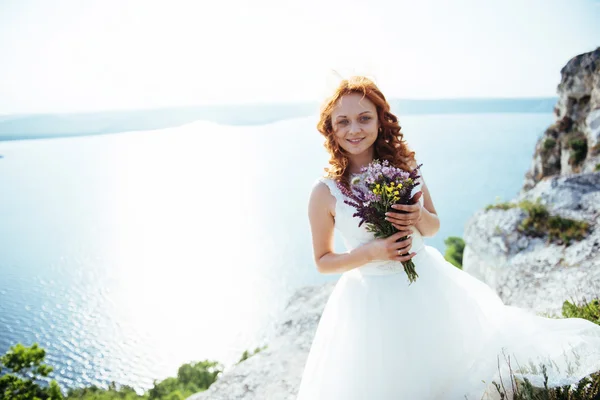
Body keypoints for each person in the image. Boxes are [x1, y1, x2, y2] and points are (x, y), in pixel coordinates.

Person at [295, 76, 600, 400]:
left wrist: (418, 217)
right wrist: (373, 251)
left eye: (364, 118)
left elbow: (433, 227)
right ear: (330, 127)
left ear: (380, 120)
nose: (354, 129)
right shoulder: (324, 191)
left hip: (427, 284)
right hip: (371, 302)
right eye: (343, 121)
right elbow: (323, 262)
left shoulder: (405, 165)